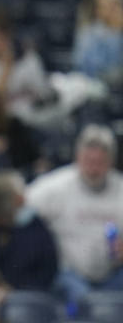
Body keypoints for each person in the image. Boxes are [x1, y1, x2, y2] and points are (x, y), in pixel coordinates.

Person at [26, 124, 123, 304]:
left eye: (100, 163)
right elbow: (21, 210)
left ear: (111, 162)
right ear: (78, 158)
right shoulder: (54, 187)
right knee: (84, 299)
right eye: (88, 161)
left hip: (113, 275)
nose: (93, 170)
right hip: (69, 274)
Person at [72, 0, 123, 87]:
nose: (114, 10)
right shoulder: (89, 34)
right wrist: (114, 34)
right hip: (95, 85)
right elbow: (87, 66)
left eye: (117, 6)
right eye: (109, 6)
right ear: (98, 10)